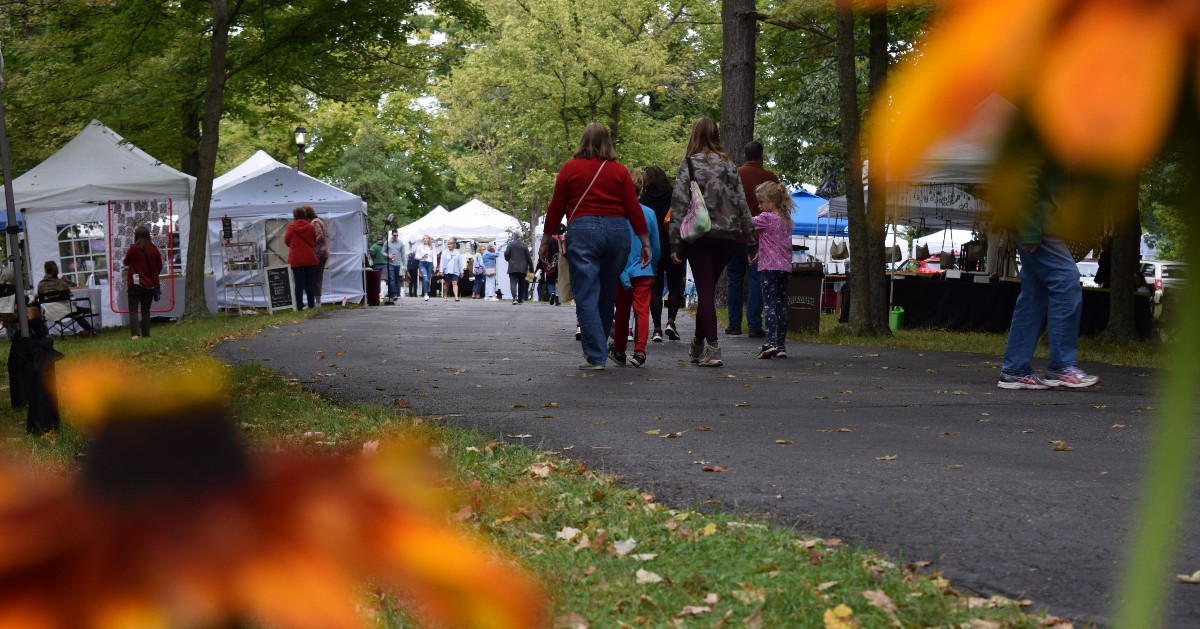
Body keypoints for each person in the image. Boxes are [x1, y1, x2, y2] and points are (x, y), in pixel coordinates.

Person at [539, 122, 651, 370]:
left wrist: (546, 239)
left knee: (586, 293)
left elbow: (556, 207)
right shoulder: (620, 172)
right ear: (608, 142)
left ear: (583, 141)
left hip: (584, 230)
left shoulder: (570, 169)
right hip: (618, 232)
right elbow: (633, 208)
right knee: (607, 293)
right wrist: (645, 242)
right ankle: (598, 349)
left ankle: (595, 355)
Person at [998, 166, 1098, 390]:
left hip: (1041, 219)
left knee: (1035, 294)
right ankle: (1062, 366)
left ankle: (1015, 369)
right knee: (1066, 282)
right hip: (1038, 220)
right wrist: (1030, 228)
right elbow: (1023, 177)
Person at [669, 117, 756, 367]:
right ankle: (697, 344)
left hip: (701, 235)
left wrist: (675, 243)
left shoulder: (689, 164)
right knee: (707, 289)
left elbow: (679, 205)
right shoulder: (730, 165)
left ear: (694, 135)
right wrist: (751, 242)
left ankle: (714, 349)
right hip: (728, 236)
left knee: (705, 291)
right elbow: (742, 204)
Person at [727, 140, 780, 338]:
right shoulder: (770, 178)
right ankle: (754, 325)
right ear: (761, 156)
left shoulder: (736, 175)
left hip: (735, 235)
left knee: (734, 279)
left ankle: (733, 324)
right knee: (757, 279)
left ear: (745, 155)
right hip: (759, 238)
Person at [609, 179, 660, 368]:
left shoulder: (616, 214)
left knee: (622, 311)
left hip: (622, 268)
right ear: (641, 190)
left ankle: (620, 350)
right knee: (642, 310)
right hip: (643, 268)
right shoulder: (649, 213)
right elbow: (654, 244)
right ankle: (640, 350)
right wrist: (652, 266)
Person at [751, 182, 794, 359]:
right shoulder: (786, 219)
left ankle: (770, 342)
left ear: (772, 201)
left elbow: (745, 224)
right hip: (785, 267)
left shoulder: (766, 218)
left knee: (768, 305)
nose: (759, 206)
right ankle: (781, 345)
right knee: (780, 306)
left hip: (769, 268)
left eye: (761, 202)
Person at [640, 165, 680, 342]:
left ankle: (656, 328)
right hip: (674, 246)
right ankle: (671, 322)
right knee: (674, 286)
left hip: (653, 248)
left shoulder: (644, 200)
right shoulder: (675, 197)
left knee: (654, 289)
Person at [37, 259, 98, 338]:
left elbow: (41, 300)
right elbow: (71, 298)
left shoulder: (41, 284)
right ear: (56, 270)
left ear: (45, 270)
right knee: (75, 311)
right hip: (64, 311)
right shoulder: (61, 283)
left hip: (49, 313)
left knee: (74, 310)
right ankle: (89, 326)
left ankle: (45, 334)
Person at [121, 225, 163, 338]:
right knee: (146, 310)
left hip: (135, 284)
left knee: (133, 310)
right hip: (149, 284)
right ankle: (146, 334)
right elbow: (159, 266)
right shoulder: (154, 249)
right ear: (148, 235)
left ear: (136, 236)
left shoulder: (133, 248)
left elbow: (126, 262)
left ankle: (135, 334)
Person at [285, 207, 319, 310]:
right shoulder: (310, 227)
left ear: (294, 216)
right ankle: (311, 304)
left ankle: (299, 305)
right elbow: (313, 240)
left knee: (298, 282)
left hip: (296, 257)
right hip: (309, 257)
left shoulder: (290, 227)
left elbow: (287, 241)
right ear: (305, 215)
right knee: (310, 282)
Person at [306, 206, 329, 306]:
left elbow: (319, 235)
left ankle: (311, 302)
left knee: (311, 276)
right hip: (324, 252)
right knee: (318, 277)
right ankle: (318, 302)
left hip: (318, 252)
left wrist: (312, 244)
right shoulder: (319, 221)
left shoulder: (314, 222)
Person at [504, 233, 534, 305]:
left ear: (513, 236)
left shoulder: (510, 244)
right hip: (522, 267)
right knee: (521, 283)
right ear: (520, 236)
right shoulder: (524, 245)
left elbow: (506, 254)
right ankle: (520, 299)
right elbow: (528, 257)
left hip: (512, 266)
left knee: (513, 283)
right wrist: (531, 267)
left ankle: (514, 298)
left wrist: (508, 260)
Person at [385, 229, 407, 303]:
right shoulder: (387, 243)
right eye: (394, 235)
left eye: (397, 235)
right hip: (390, 263)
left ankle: (397, 293)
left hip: (398, 263)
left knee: (397, 279)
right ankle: (393, 294)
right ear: (392, 235)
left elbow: (403, 255)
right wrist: (388, 255)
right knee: (391, 279)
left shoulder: (400, 243)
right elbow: (382, 252)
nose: (395, 237)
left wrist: (405, 265)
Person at [416, 235, 435, 301]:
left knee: (427, 280)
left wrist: (434, 266)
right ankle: (426, 294)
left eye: (426, 238)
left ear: (429, 239)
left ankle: (426, 293)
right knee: (425, 278)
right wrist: (422, 256)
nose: (425, 240)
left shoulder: (432, 247)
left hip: (430, 264)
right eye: (424, 238)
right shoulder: (420, 247)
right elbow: (416, 256)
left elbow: (434, 256)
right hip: (422, 263)